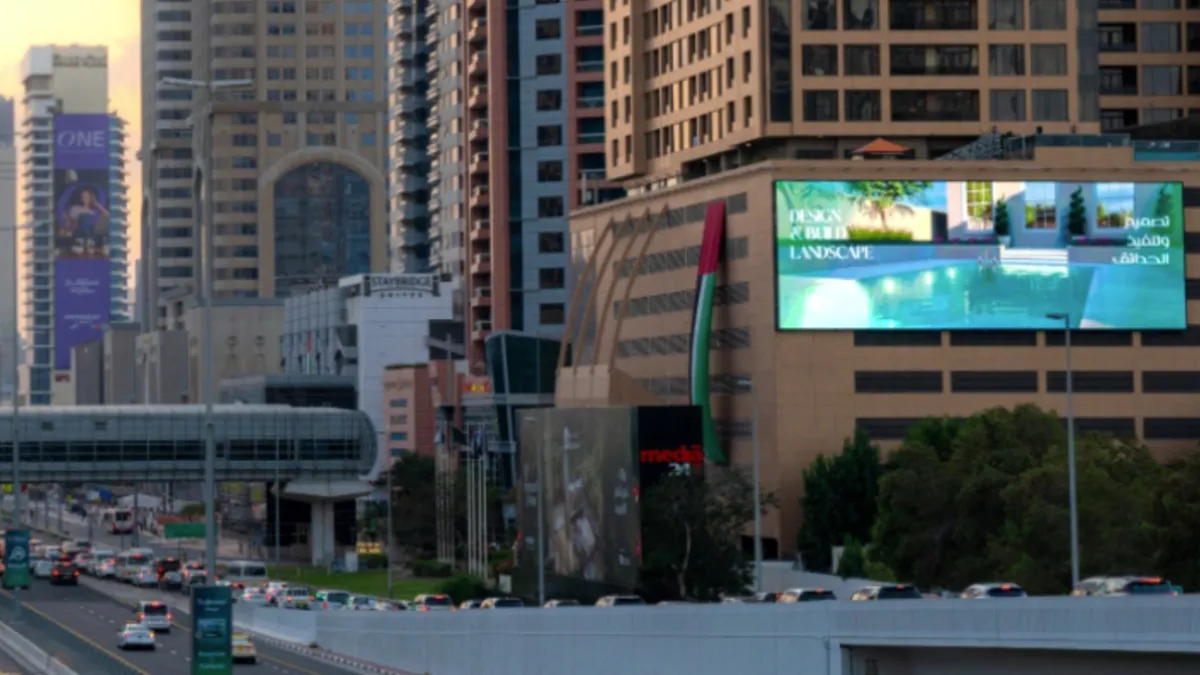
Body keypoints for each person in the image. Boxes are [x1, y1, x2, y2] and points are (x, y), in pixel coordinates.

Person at [65, 187, 110, 257]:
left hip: (92, 232)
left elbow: (108, 216)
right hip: (78, 232)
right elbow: (70, 222)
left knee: (89, 219)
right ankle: (83, 243)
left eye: (87, 196)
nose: (84, 198)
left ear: (91, 198)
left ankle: (88, 243)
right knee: (84, 217)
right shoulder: (75, 208)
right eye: (83, 196)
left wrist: (97, 204)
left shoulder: (94, 212)